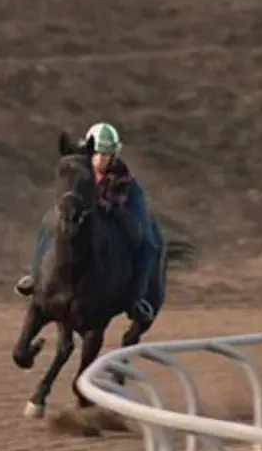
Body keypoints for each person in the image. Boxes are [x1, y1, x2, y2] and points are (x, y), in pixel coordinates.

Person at [14, 122, 158, 321]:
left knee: (149, 244)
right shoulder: (80, 171)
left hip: (123, 207)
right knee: (49, 222)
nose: (101, 159)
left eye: (107, 154)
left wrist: (112, 208)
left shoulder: (124, 180)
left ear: (114, 155)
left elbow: (122, 210)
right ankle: (35, 276)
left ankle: (136, 299)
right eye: (98, 154)